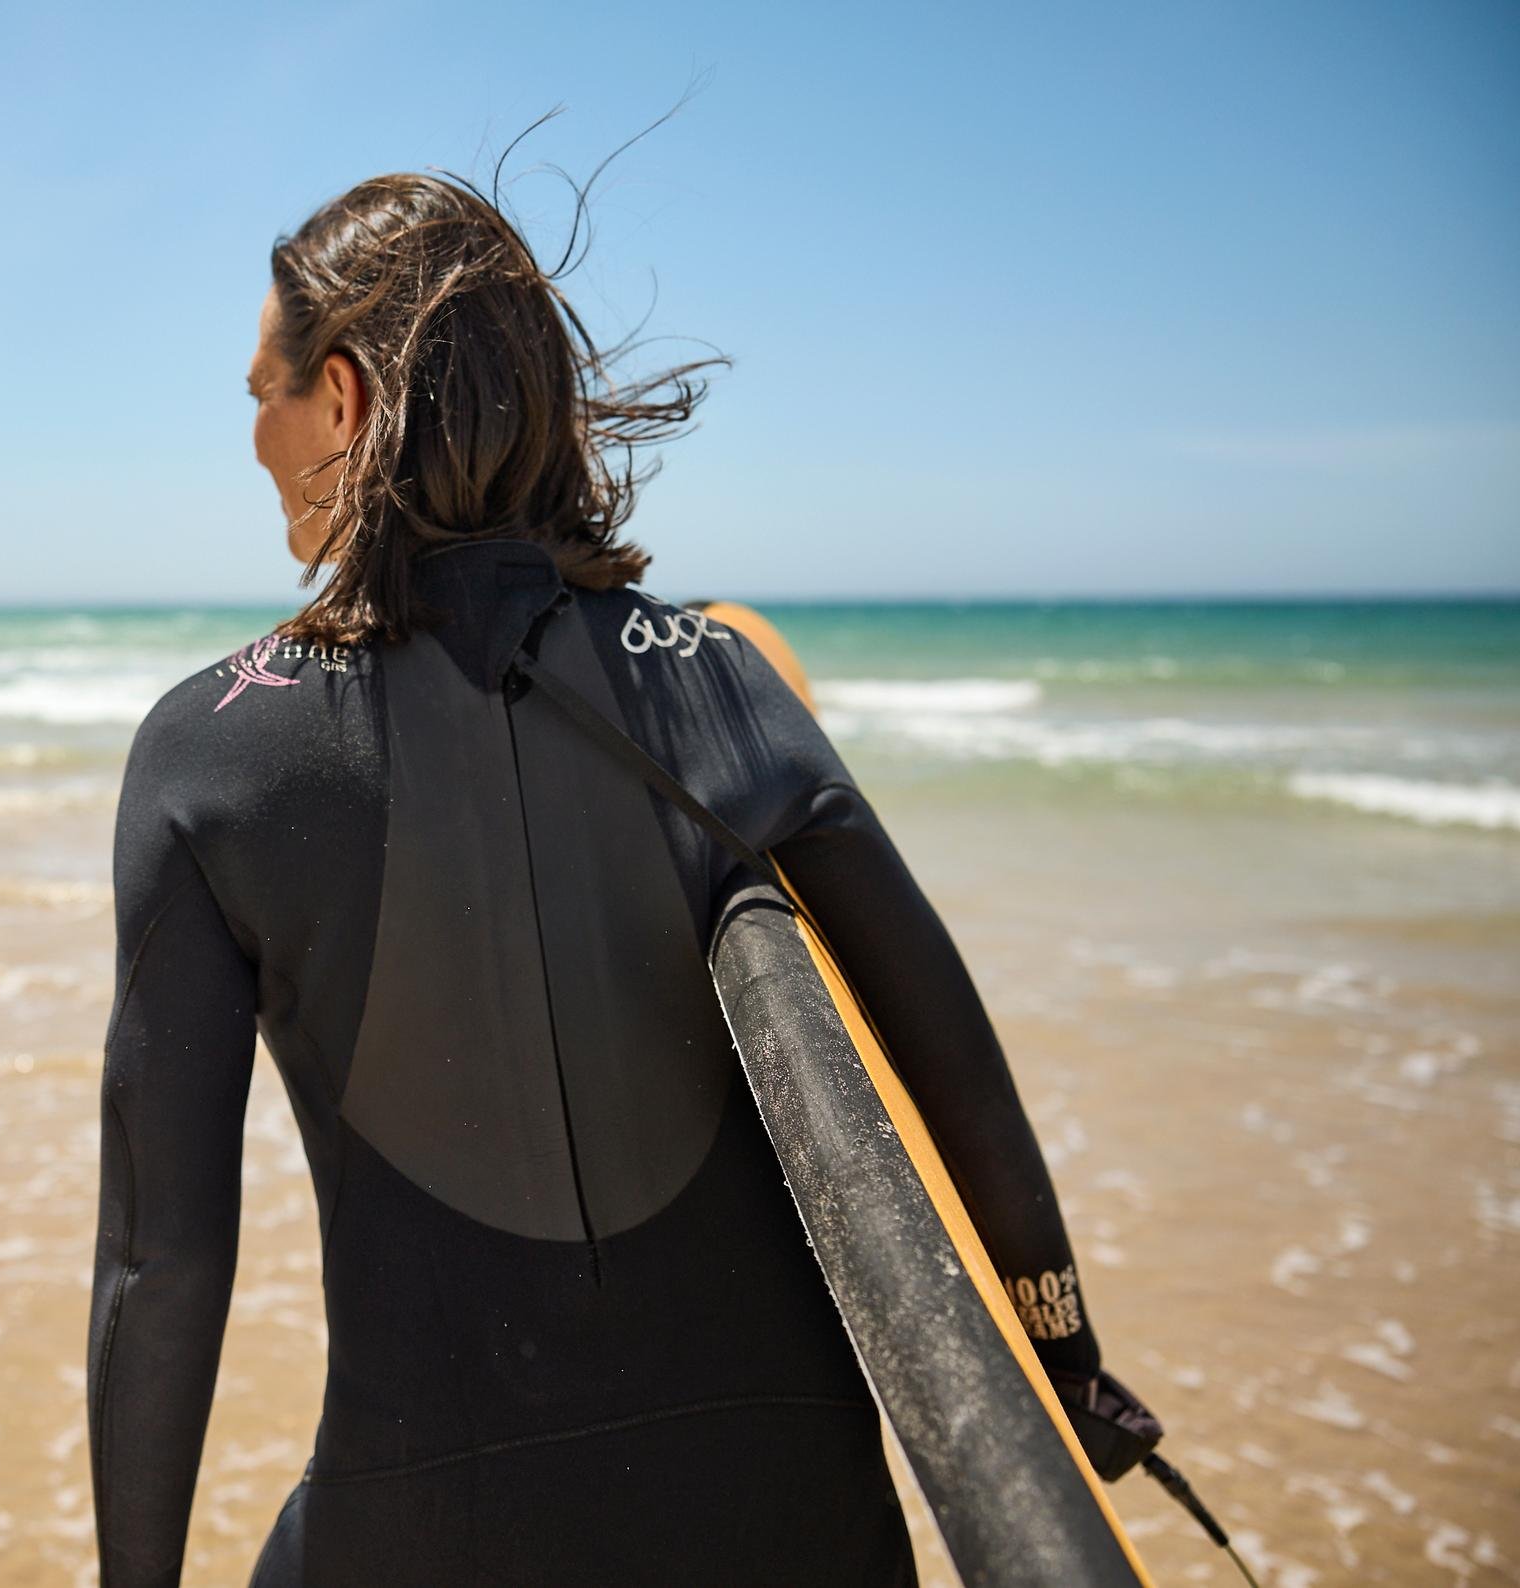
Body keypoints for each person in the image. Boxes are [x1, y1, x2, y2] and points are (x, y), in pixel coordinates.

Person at [86, 166, 1156, 1587]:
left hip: (430, 1529)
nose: (256, 436)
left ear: (342, 400)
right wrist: (1071, 1361)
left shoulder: (210, 756)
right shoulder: (723, 683)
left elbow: (161, 1272)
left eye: (262, 394)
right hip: (799, 1523)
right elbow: (947, 1048)